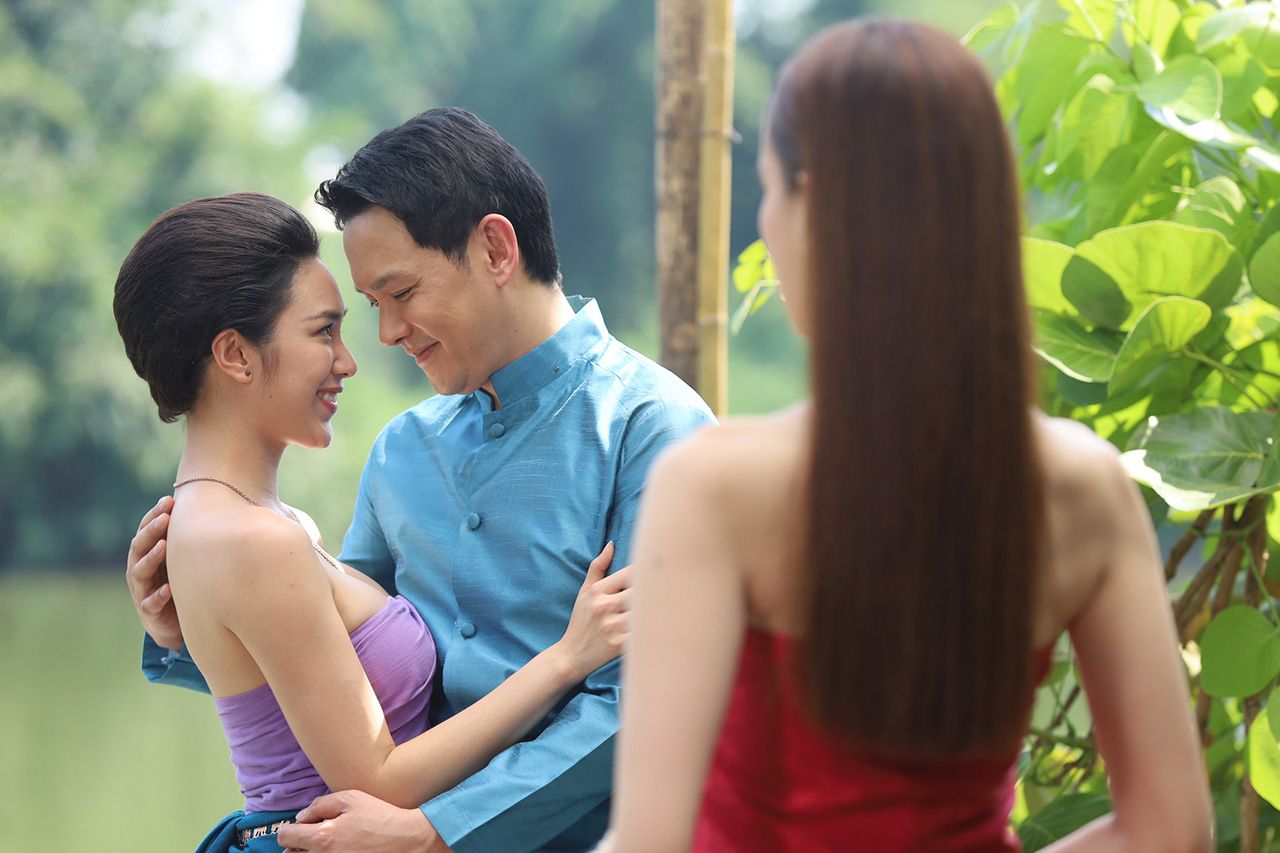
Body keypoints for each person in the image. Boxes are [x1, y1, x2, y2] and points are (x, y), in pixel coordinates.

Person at [603, 19, 1213, 853]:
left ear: (818, 207)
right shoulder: (1083, 486)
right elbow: (1170, 828)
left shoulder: (714, 487)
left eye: (770, 188)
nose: (767, 221)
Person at [124, 108, 715, 852]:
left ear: (495, 249)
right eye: (372, 306)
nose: (385, 335)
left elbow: (639, 703)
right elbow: (345, 668)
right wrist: (186, 632)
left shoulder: (655, 431)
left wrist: (438, 832)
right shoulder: (402, 450)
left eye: (400, 294)